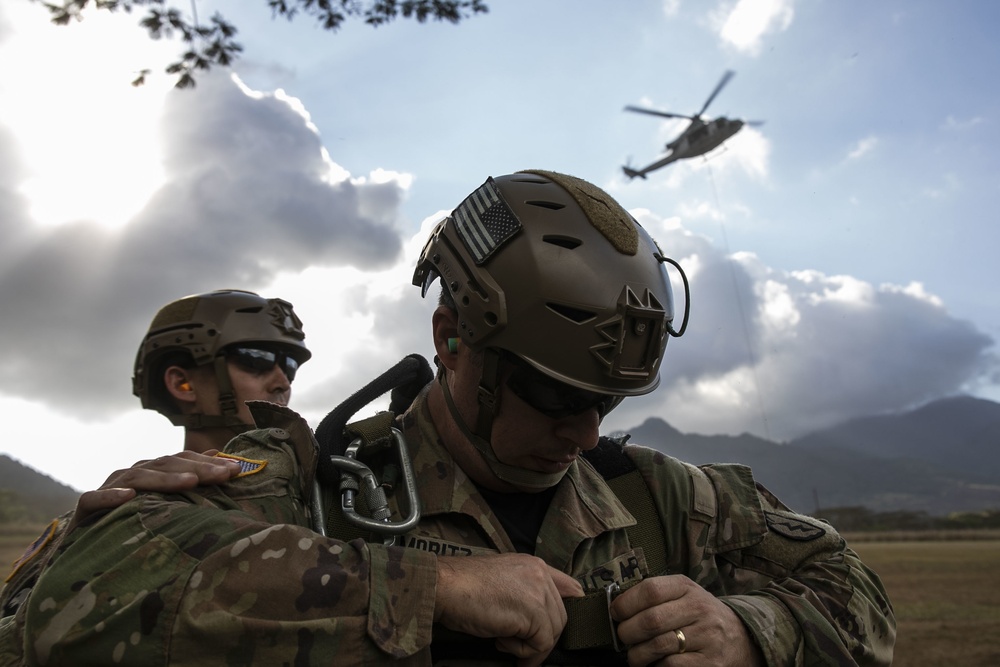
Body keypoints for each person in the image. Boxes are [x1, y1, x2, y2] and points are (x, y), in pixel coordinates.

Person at [18, 171, 895, 666]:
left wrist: (752, 631)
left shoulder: (669, 500)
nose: (585, 434)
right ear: (450, 337)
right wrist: (429, 591)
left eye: (608, 405)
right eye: (553, 396)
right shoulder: (325, 487)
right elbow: (70, 599)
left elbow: (853, 590)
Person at [0, 289, 311, 663]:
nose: (282, 381)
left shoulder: (337, 488)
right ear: (183, 383)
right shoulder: (117, 508)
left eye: (290, 365)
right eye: (256, 359)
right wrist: (80, 550)